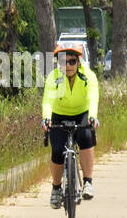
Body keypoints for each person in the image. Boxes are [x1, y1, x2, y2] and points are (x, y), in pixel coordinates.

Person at [41, 40, 100, 208]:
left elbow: (92, 97)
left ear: (78, 62)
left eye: (71, 61)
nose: (67, 65)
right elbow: (48, 100)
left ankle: (88, 182)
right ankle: (56, 188)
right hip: (59, 115)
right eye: (63, 61)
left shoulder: (88, 76)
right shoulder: (55, 77)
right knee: (58, 150)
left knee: (86, 137)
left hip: (81, 113)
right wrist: (46, 118)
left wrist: (93, 116)